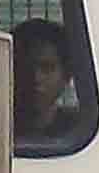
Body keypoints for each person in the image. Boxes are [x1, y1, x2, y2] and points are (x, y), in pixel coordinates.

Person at [12, 17, 89, 145]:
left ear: (67, 75)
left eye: (47, 68)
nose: (36, 78)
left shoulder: (80, 131)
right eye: (26, 67)